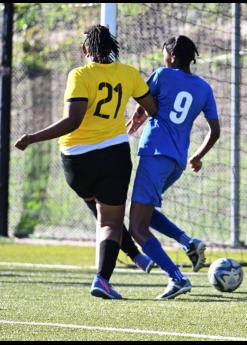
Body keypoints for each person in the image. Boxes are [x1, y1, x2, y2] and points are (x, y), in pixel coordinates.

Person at [15, 25, 157, 299]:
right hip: (114, 156)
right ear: (113, 49)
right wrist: (140, 111)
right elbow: (152, 108)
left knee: (100, 210)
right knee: (110, 221)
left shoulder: (79, 74)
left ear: (84, 50)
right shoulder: (128, 73)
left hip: (76, 161)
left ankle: (135, 257)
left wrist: (32, 137)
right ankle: (104, 279)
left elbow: (73, 121)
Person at [126, 35, 220, 299]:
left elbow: (144, 102)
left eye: (164, 54)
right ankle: (188, 242)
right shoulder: (203, 88)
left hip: (155, 154)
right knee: (145, 211)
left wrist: (136, 119)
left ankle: (176, 277)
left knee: (136, 227)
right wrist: (198, 156)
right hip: (177, 161)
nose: (163, 59)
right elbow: (215, 131)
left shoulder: (163, 75)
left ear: (172, 56)